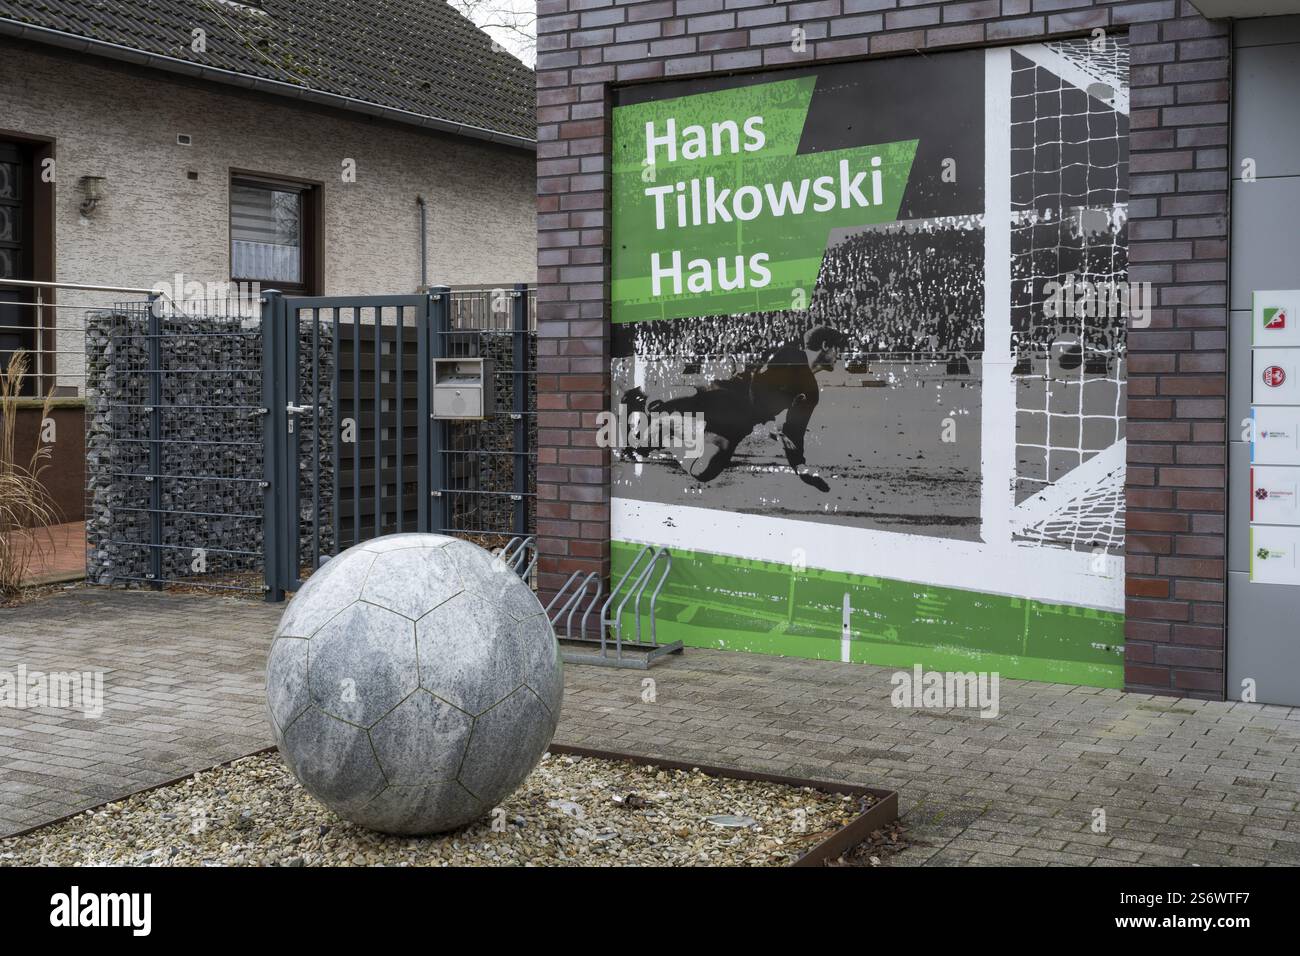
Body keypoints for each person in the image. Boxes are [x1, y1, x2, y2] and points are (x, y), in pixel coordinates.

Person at [621, 325, 847, 490]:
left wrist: (800, 466)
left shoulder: (811, 393)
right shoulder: (790, 355)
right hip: (727, 395)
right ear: (825, 345)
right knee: (672, 397)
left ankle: (662, 431)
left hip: (741, 423)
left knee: (703, 471)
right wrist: (768, 424)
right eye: (838, 349)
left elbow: (793, 431)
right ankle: (645, 411)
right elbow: (760, 383)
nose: (841, 355)